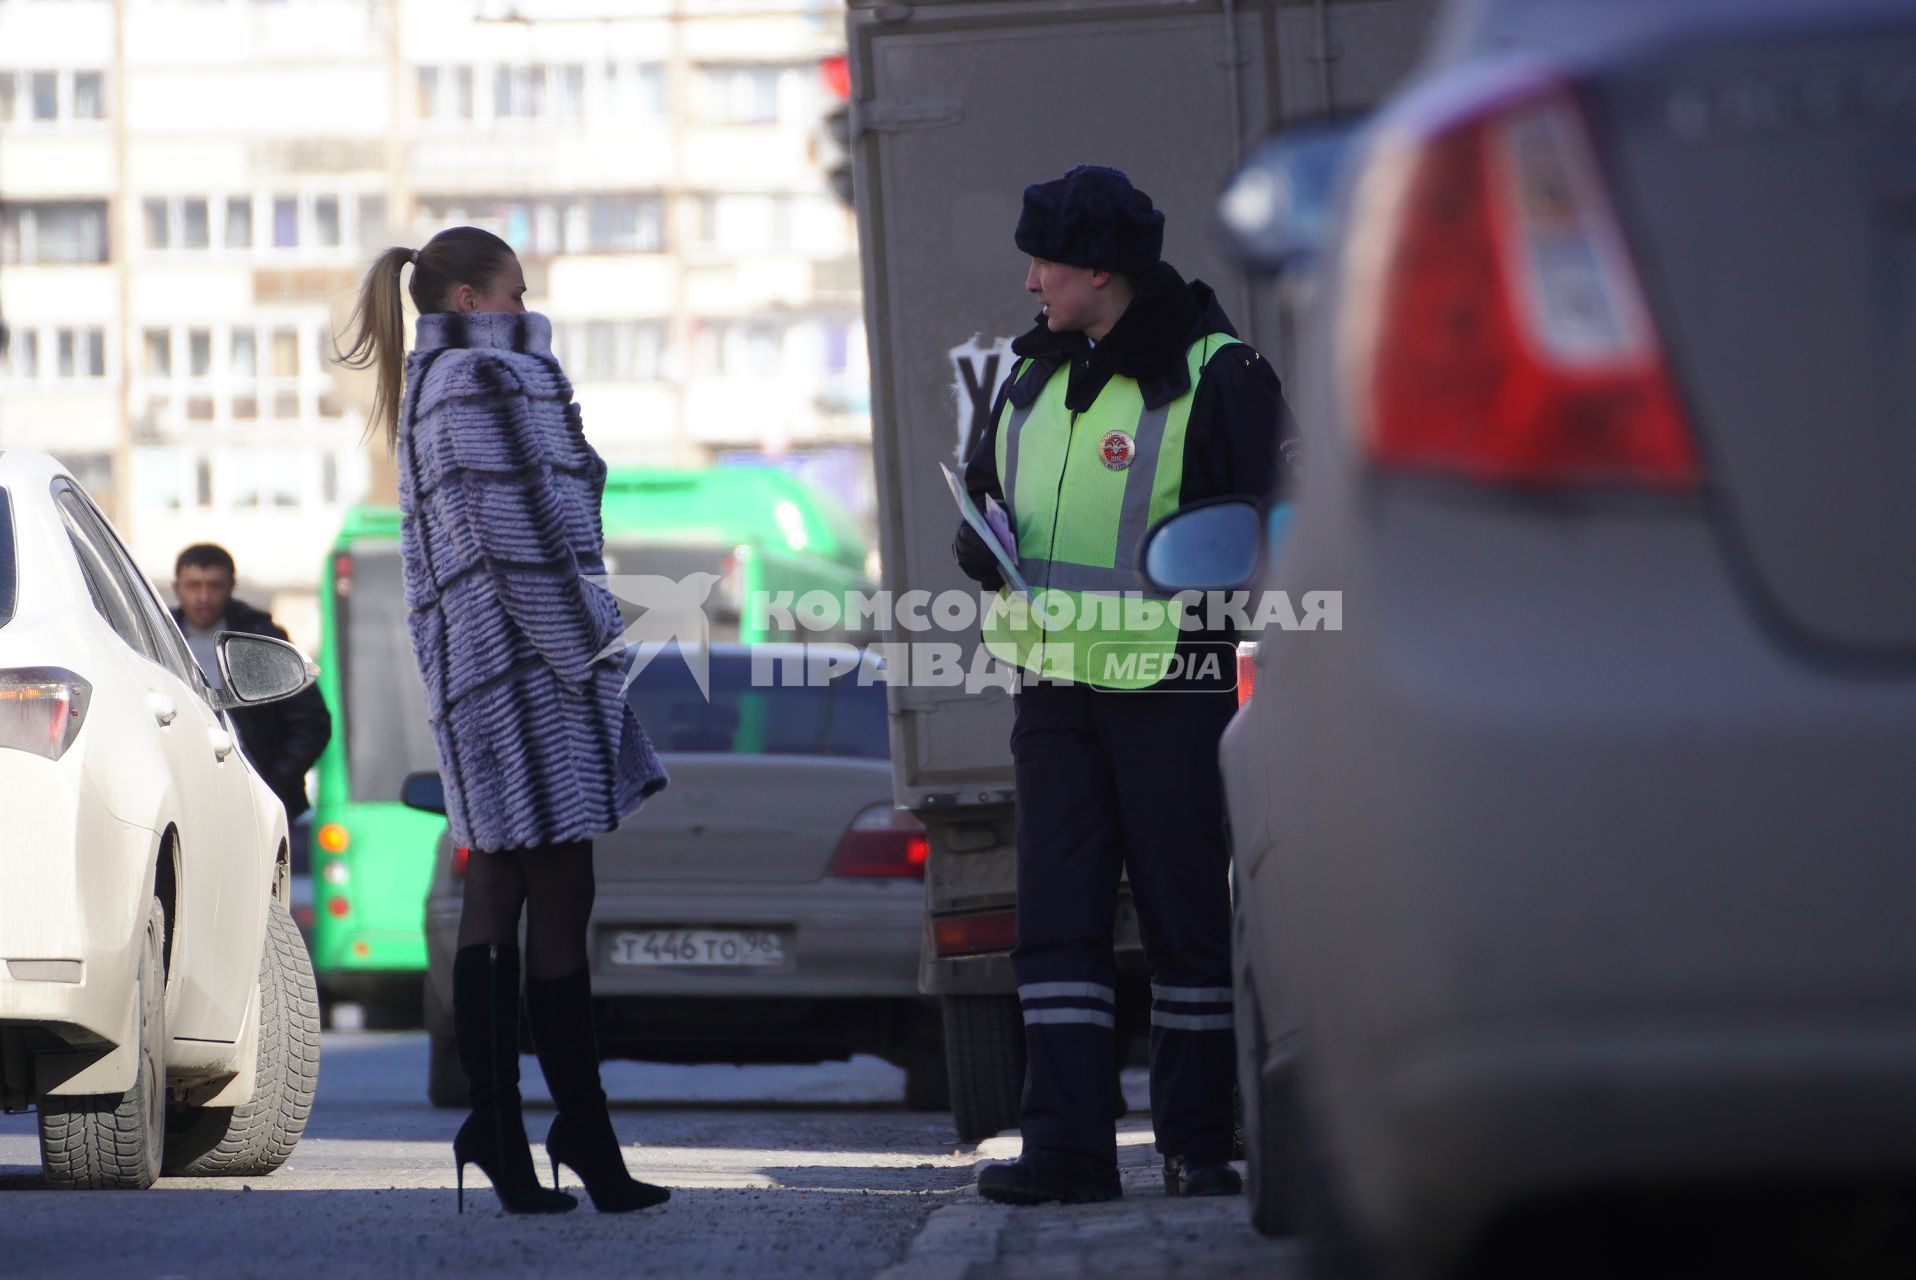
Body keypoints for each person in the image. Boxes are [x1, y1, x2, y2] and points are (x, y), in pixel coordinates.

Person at [954, 165, 1289, 1205]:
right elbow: (984, 495)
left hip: (1173, 679)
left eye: (1043, 260)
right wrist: (978, 544)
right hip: (1053, 687)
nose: (1028, 282)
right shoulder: (1026, 372)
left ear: (1100, 268)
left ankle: (1199, 1141)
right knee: (1054, 921)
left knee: (1186, 918)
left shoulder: (1221, 371)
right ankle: (1067, 1150)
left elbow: (1282, 528)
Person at [333, 226, 670, 1215]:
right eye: (517, 287)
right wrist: (588, 646)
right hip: (523, 666)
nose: (529, 302)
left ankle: (514, 1123)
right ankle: (561, 1125)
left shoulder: (453, 380)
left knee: (516, 879)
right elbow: (515, 532)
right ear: (474, 300)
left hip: (490, 668)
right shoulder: (481, 381)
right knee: (554, 879)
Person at [170, 544, 332, 826]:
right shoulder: (156, 640)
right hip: (182, 796)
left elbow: (312, 720)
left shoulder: (260, 638)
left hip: (256, 800)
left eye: (215, 585)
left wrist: (274, 781)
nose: (203, 597)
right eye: (193, 585)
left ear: (231, 586)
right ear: (176, 588)